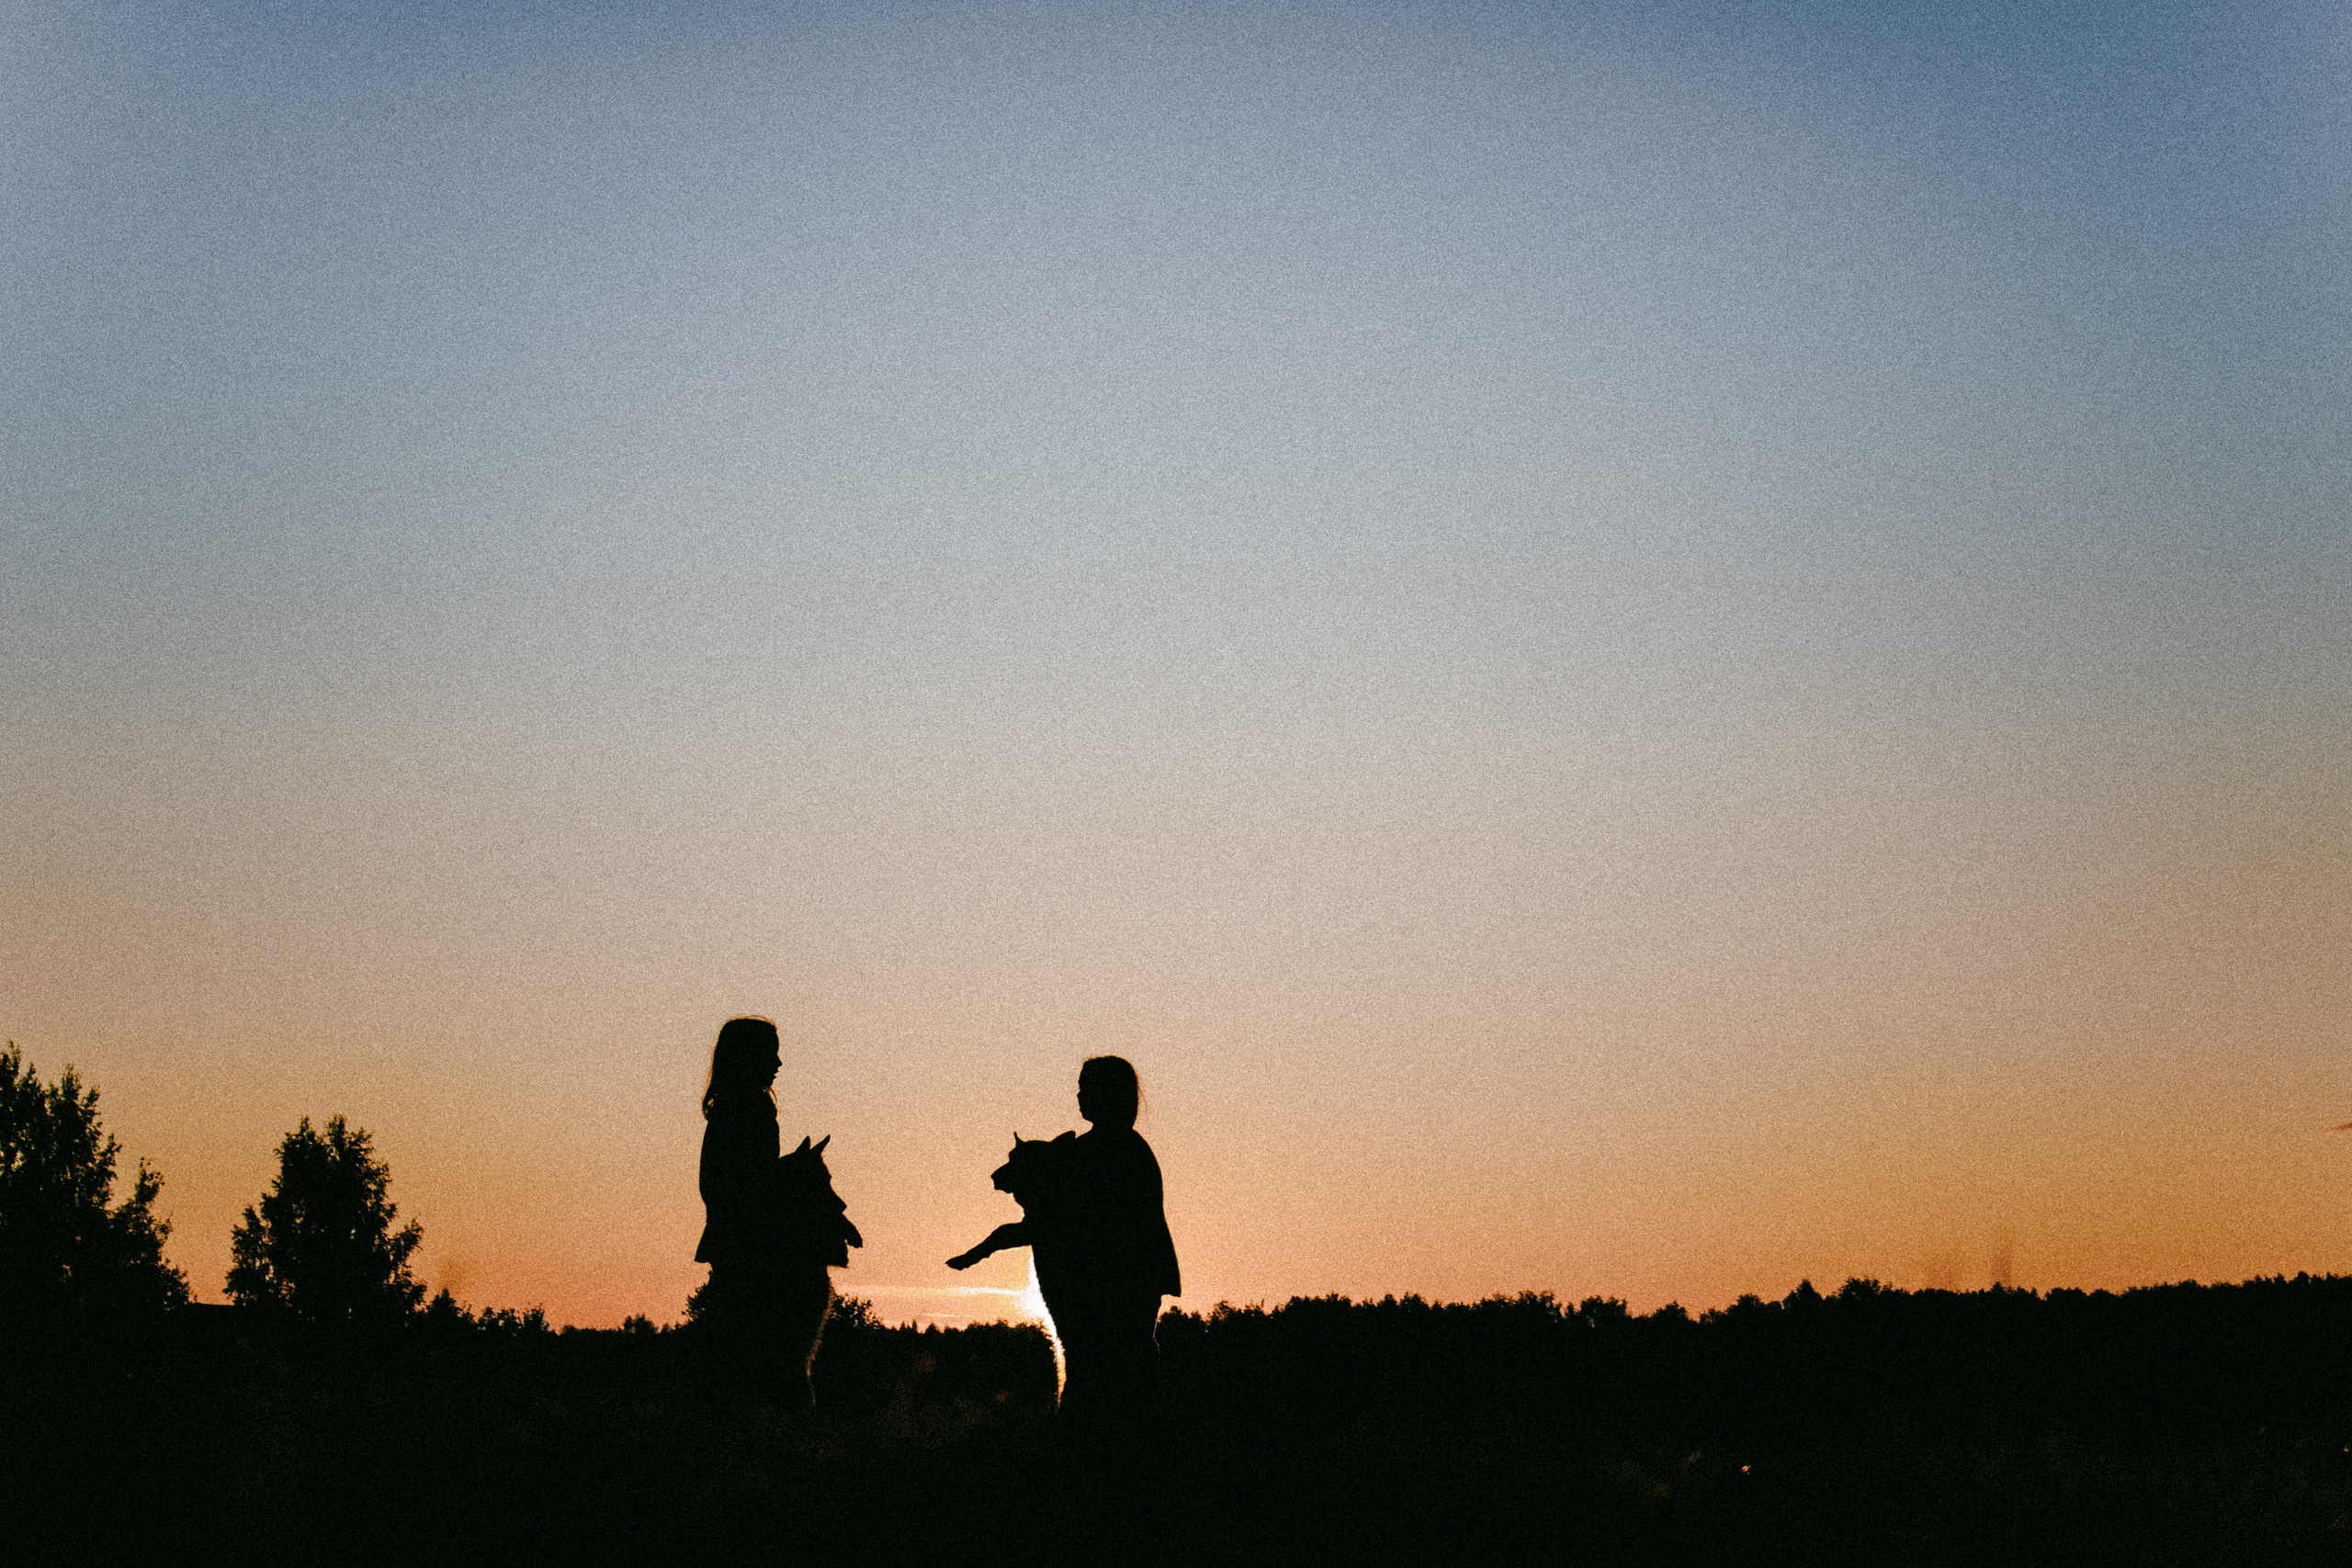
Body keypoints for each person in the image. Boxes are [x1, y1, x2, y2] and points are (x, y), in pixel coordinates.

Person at [948, 1055, 1180, 1433]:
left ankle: (1093, 1450)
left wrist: (991, 1244)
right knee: (1124, 1377)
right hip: (1124, 1286)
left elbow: (1061, 1219)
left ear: (1108, 1094)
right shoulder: (1114, 1149)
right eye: (1080, 1088)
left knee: (1101, 1376)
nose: (1079, 1095)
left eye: (1087, 1088)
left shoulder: (1103, 1152)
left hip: (1108, 1290)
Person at [695, 1016, 859, 1405]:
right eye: (771, 1053)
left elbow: (732, 1181)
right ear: (749, 1057)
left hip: (734, 1247)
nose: (779, 1063)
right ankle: (790, 1433)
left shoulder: (730, 1108)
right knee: (780, 1363)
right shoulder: (750, 1109)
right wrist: (796, 1176)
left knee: (744, 1366)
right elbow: (748, 1185)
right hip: (756, 1254)